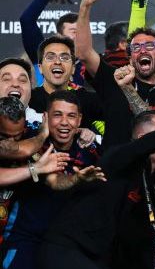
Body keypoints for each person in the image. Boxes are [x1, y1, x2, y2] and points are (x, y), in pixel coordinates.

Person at [38, 106, 155, 269]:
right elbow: (142, 146)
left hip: (97, 257)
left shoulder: (149, 178)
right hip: (67, 249)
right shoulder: (116, 157)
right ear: (143, 139)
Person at [0, 90, 105, 269]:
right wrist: (40, 141)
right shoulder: (29, 137)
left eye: (71, 116)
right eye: (57, 115)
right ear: (45, 117)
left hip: (64, 244)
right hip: (25, 240)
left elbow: (56, 181)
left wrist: (76, 179)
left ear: (79, 120)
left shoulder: (91, 152)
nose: (64, 122)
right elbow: (51, 179)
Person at [75, 0, 155, 123]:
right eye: (136, 47)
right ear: (130, 58)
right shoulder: (114, 80)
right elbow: (83, 53)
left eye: (149, 46)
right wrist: (85, 6)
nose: (143, 51)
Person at [19, 0, 83, 86]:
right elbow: (27, 20)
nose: (79, 35)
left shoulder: (91, 65)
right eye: (73, 31)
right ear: (60, 36)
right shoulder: (44, 57)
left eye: (82, 31)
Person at [28, 36, 105, 134]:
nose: (57, 62)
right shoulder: (28, 100)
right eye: (50, 57)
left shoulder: (88, 100)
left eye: (64, 58)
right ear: (40, 68)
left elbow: (119, 111)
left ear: (73, 69)